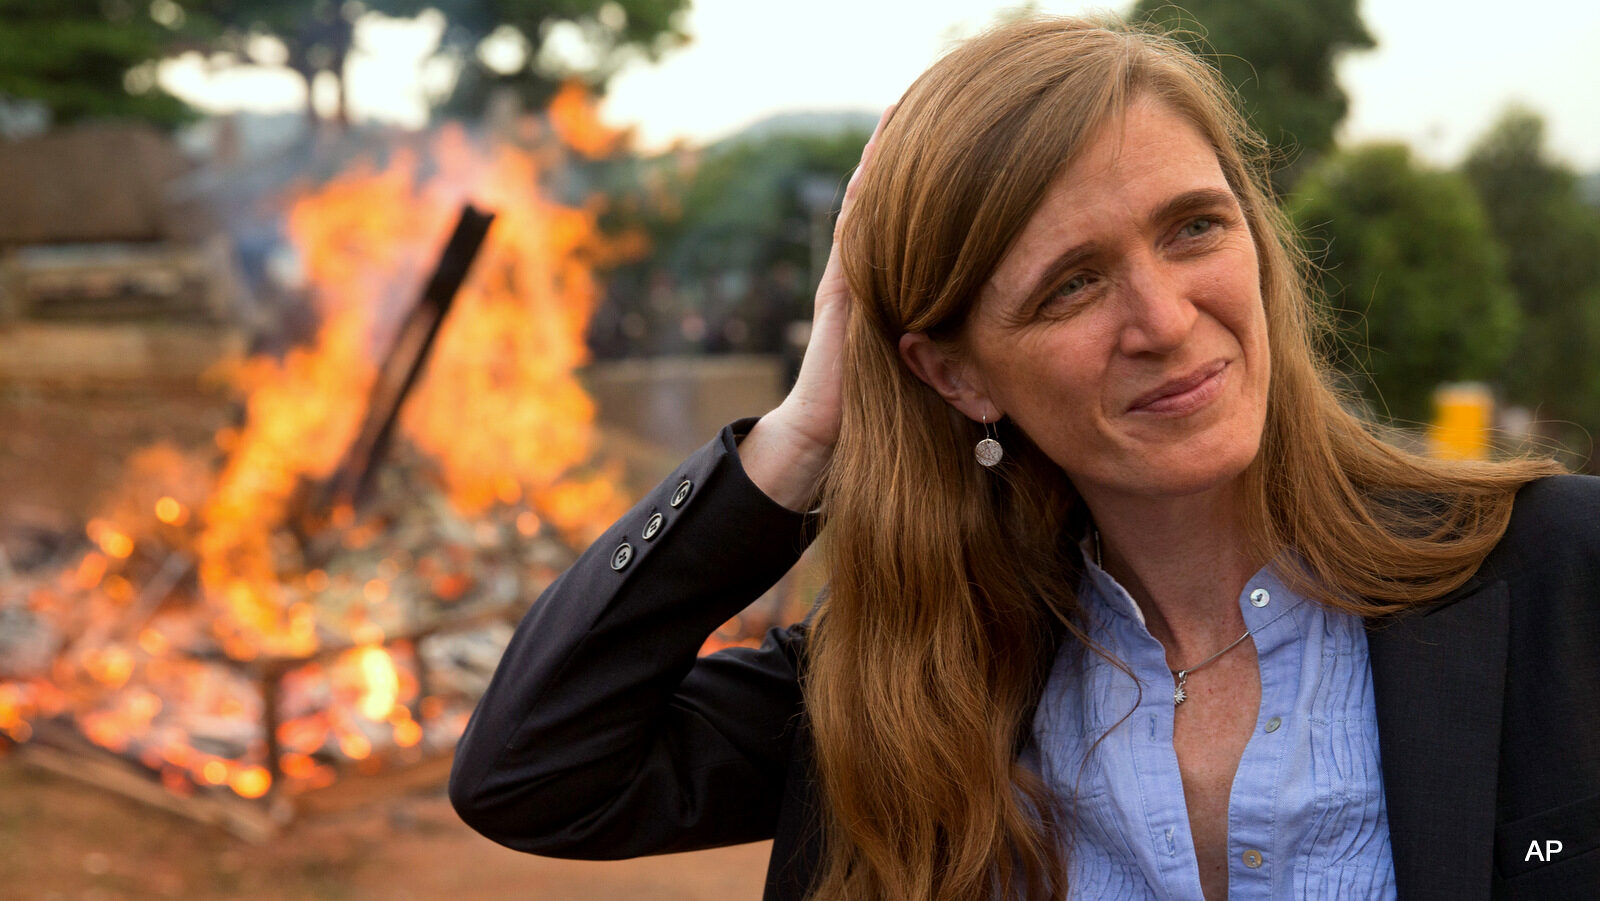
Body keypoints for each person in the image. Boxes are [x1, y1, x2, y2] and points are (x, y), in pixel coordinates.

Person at [449, 16, 1600, 901]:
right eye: (1071, 284)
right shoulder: (904, 686)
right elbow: (536, 772)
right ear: (957, 376)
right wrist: (800, 435)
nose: (1162, 317)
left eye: (1193, 226)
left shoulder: (1555, 573)